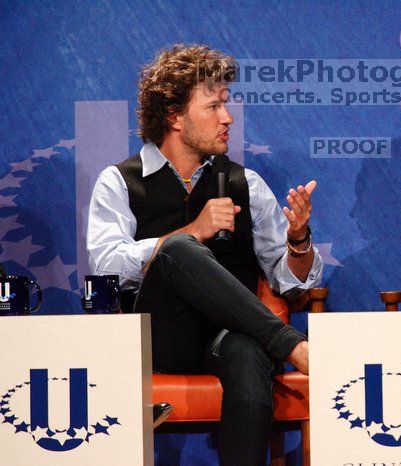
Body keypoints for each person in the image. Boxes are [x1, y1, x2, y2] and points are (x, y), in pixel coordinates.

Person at [86, 44, 323, 466]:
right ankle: (294, 346)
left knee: (250, 355)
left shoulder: (243, 182)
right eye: (213, 106)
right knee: (178, 248)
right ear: (174, 116)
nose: (227, 118)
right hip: (158, 339)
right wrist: (192, 232)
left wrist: (299, 240)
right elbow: (105, 264)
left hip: (227, 336)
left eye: (226, 105)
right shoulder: (120, 181)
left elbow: (291, 280)